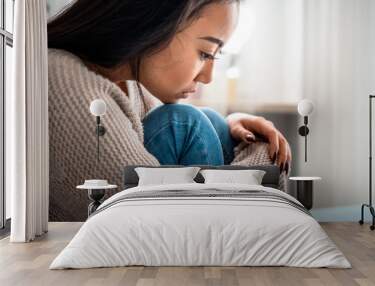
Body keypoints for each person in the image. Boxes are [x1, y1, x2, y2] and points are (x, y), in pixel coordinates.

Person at [47, 0, 292, 221]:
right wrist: (259, 147)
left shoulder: (132, 85)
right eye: (205, 53)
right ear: (155, 21)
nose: (207, 78)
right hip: (140, 227)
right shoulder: (64, 80)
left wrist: (232, 126)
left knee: (211, 120)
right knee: (186, 121)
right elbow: (142, 213)